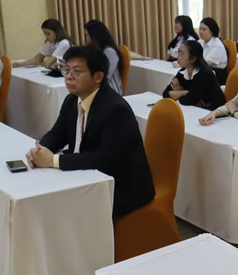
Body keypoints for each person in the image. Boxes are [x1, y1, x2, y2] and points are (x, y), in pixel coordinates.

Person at [27, 46, 155, 218]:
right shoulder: (72, 100)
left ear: (98, 77)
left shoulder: (115, 109)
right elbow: (57, 134)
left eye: (77, 72)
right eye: (66, 70)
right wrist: (39, 150)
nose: (69, 76)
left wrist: (53, 160)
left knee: (59, 207)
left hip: (120, 186)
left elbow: (103, 159)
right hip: (88, 174)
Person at [162, 40, 226, 109]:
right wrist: (186, 92)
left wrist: (178, 93)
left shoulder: (204, 74)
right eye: (178, 53)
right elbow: (165, 94)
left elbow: (187, 101)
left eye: (182, 54)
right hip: (195, 109)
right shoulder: (183, 71)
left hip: (213, 111)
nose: (178, 57)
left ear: (193, 59)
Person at [84, 19, 123, 95]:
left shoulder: (110, 52)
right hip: (97, 87)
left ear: (96, 36)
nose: (87, 39)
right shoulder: (95, 51)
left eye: (88, 35)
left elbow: (105, 75)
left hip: (110, 91)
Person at [198, 17, 229, 85]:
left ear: (212, 31)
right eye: (200, 29)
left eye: (204, 29)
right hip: (205, 70)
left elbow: (204, 64)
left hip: (217, 76)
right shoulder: (200, 42)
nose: (201, 32)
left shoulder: (218, 46)